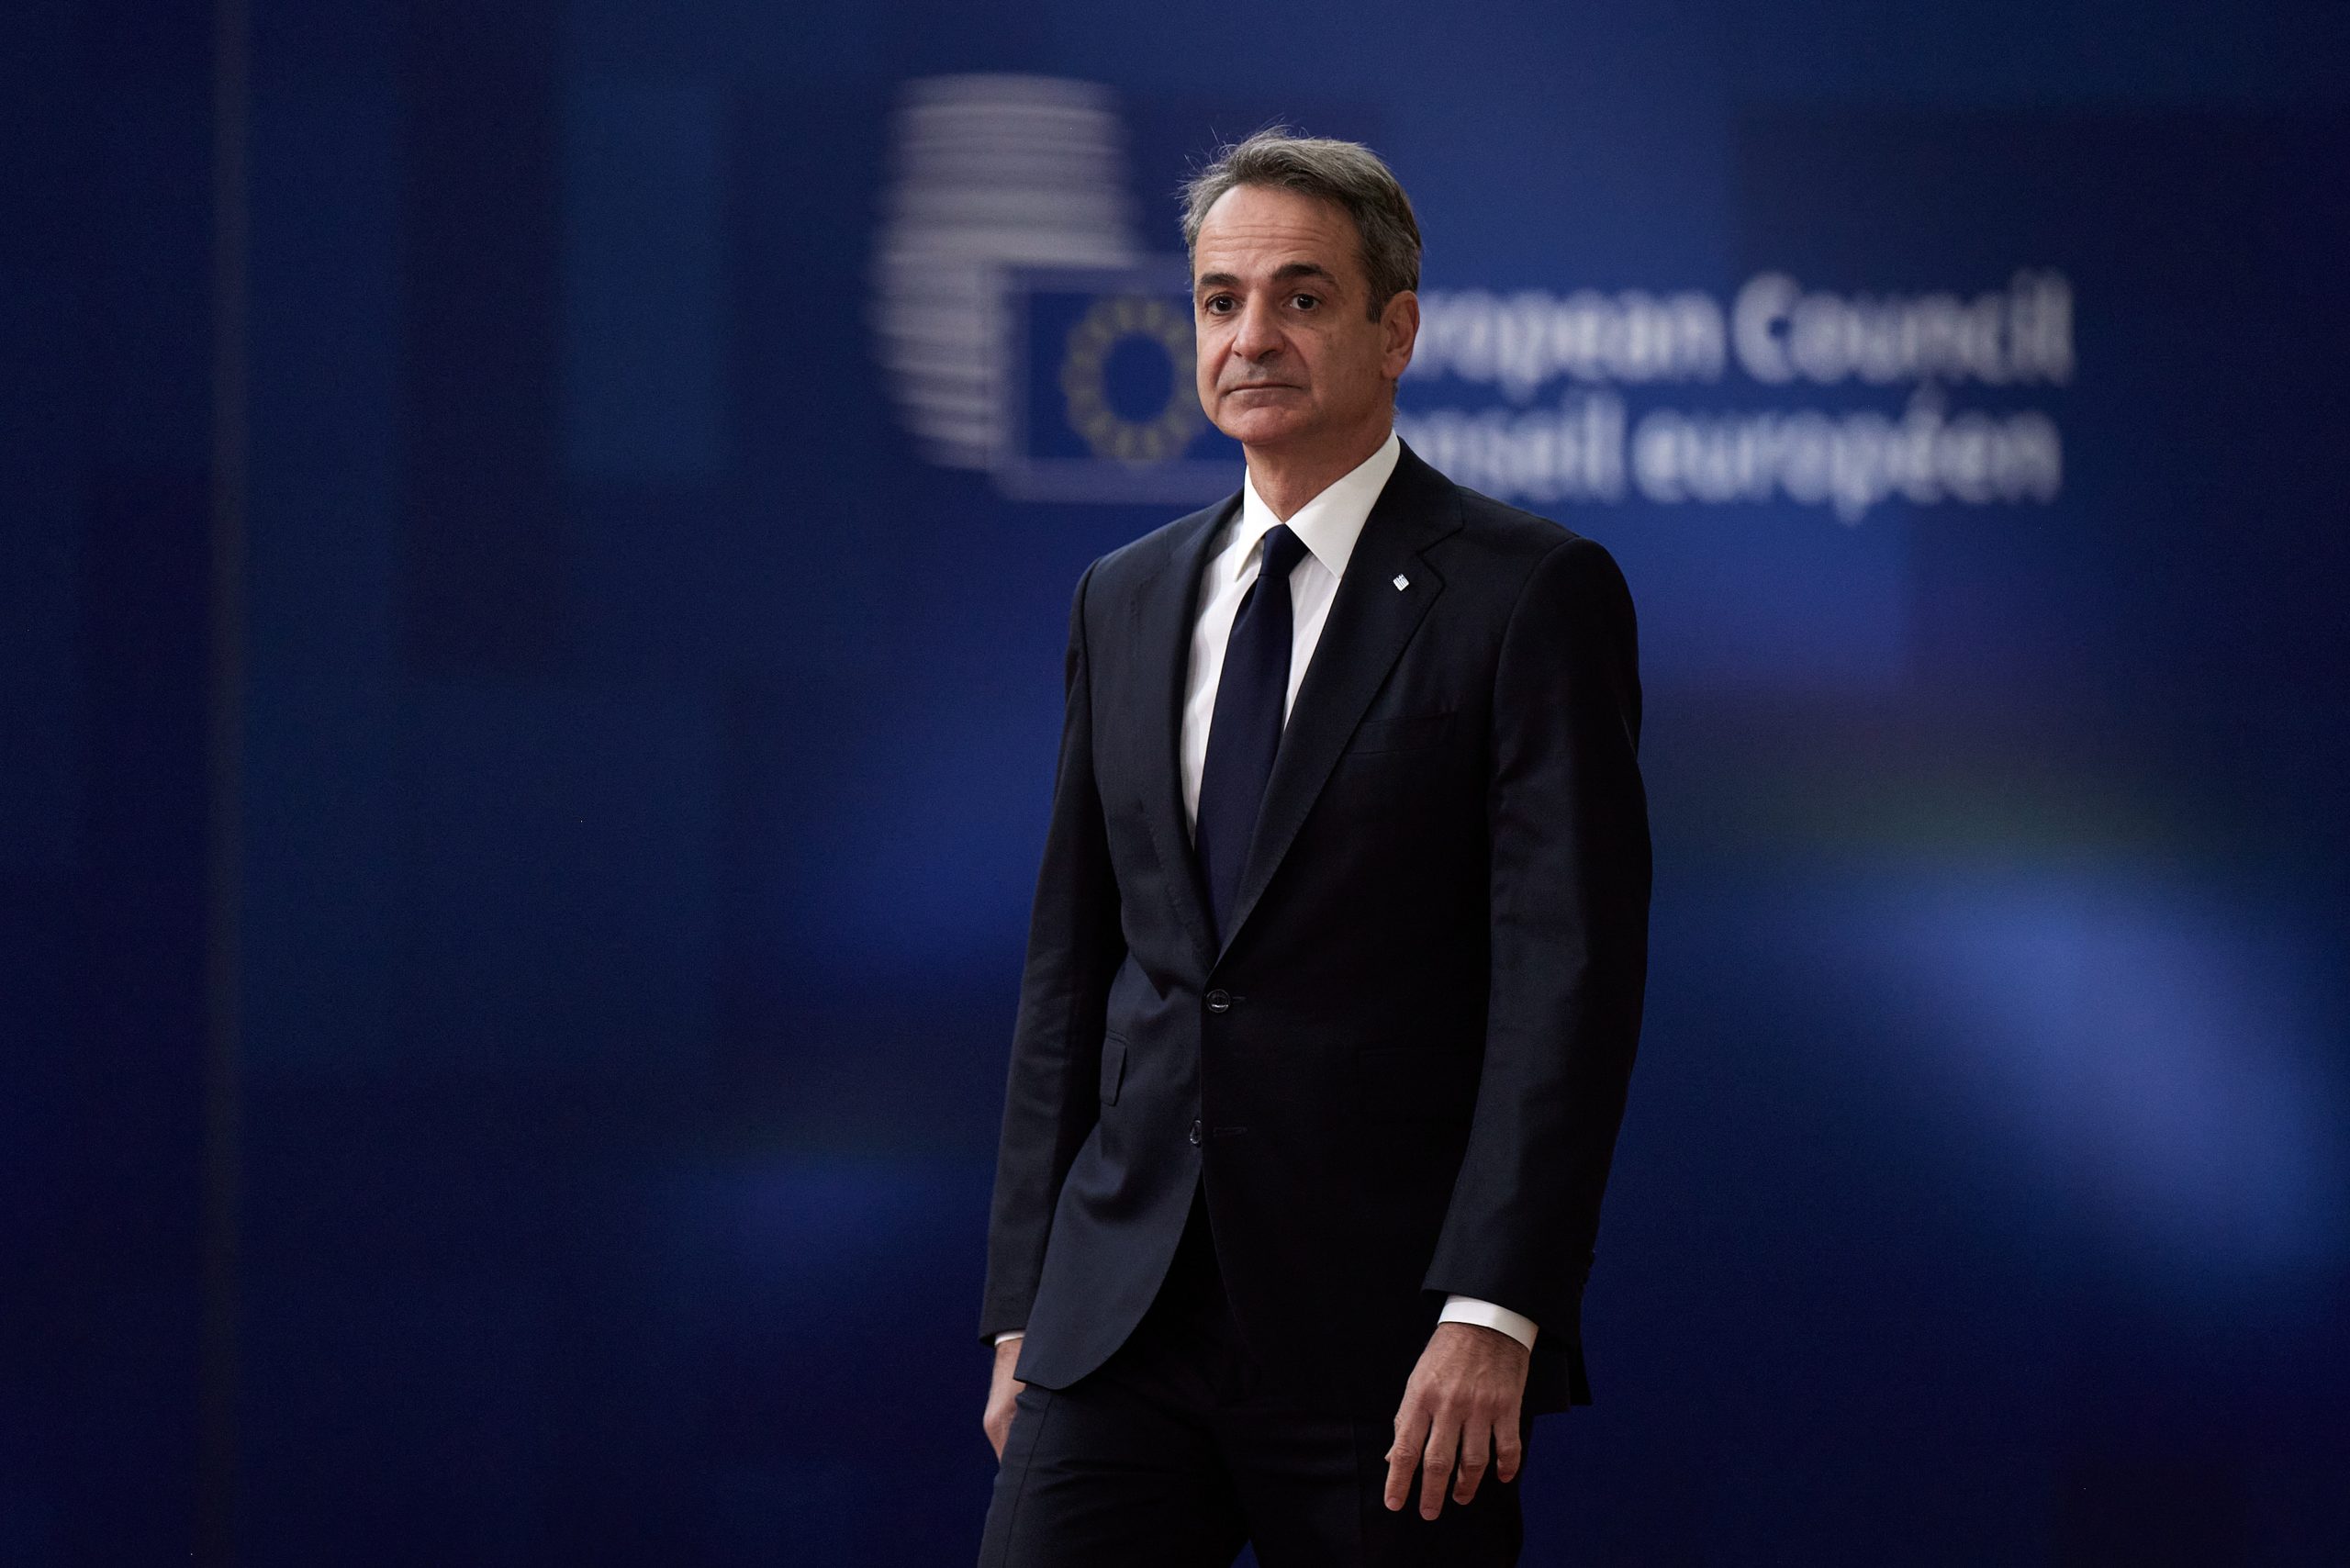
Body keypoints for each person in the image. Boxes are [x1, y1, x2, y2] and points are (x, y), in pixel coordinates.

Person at [975, 128, 1651, 1567]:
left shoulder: (1529, 594)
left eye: (1302, 297)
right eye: (1220, 301)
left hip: (1389, 1340)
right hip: (1120, 1316)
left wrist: (1494, 1308)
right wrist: (1028, 1303)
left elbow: (1568, 988)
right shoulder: (1123, 596)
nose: (1252, 338)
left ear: (1396, 330)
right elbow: (1069, 974)